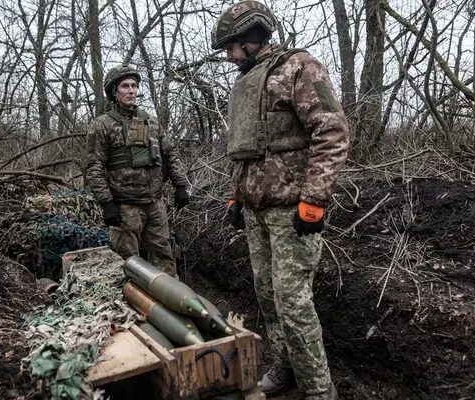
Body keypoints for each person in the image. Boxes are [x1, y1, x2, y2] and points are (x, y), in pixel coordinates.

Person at [212, 1, 349, 399]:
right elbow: (242, 149)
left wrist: (315, 199)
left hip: (292, 212)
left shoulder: (299, 67)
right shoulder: (244, 84)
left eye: (232, 46)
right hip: (256, 211)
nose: (229, 55)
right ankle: (286, 368)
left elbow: (332, 132)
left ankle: (319, 389)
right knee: (268, 298)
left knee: (293, 303)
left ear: (253, 37)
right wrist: (235, 196)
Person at [85, 64, 189, 277]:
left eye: (134, 85)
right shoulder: (102, 125)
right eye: (125, 86)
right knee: (127, 262)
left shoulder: (150, 121)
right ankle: (129, 307)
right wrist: (107, 204)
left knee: (164, 257)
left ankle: (171, 302)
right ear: (114, 91)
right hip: (125, 207)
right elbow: (94, 166)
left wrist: (180, 185)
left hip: (154, 203)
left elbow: (171, 152)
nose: (132, 90)